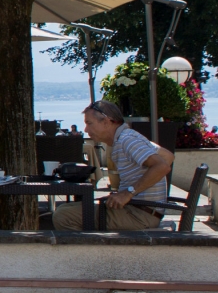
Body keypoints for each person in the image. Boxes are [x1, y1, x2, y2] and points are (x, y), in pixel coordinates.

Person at [66, 99, 175, 232]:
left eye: (89, 123)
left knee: (64, 216)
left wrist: (129, 193)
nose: (86, 129)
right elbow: (168, 156)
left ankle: (92, 252)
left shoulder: (127, 140)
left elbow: (162, 166)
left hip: (139, 215)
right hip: (139, 210)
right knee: (67, 209)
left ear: (106, 122)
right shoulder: (127, 137)